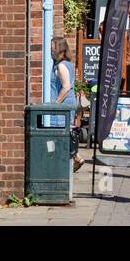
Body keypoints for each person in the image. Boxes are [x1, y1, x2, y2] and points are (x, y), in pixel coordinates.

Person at [50, 36, 84, 171]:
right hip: (67, 103)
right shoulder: (66, 63)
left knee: (60, 133)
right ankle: (73, 157)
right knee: (65, 132)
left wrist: (56, 103)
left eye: (53, 46)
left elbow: (66, 86)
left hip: (63, 104)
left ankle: (71, 158)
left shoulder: (62, 66)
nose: (51, 49)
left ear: (60, 48)